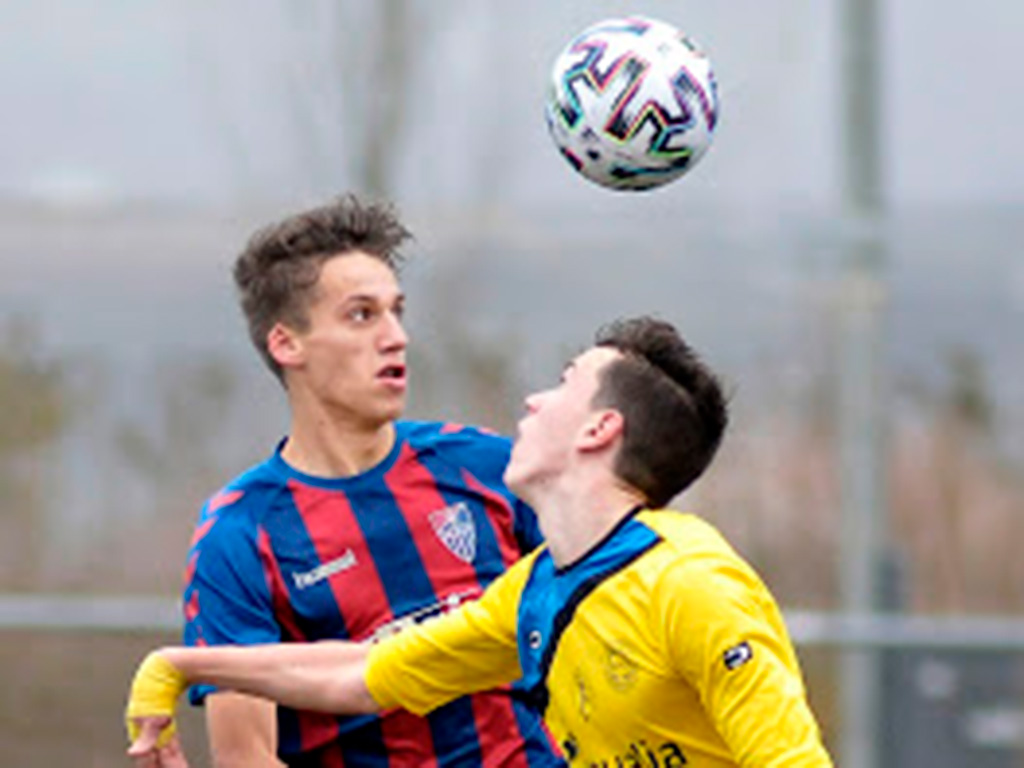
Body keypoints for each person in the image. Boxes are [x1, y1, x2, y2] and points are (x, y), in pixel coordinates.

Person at [127, 316, 835, 767]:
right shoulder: (534, 592)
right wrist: (181, 664)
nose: (533, 401)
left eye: (564, 385)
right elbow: (359, 676)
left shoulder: (692, 583)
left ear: (599, 430)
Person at [165, 195, 558, 768]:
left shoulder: (488, 468)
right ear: (286, 343)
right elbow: (247, 757)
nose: (395, 335)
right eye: (361, 315)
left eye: (397, 311)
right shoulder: (240, 535)